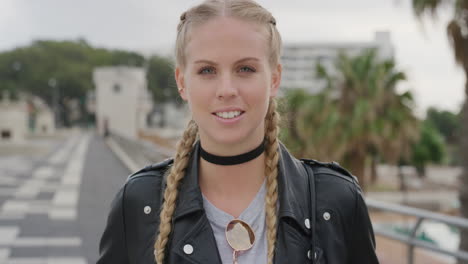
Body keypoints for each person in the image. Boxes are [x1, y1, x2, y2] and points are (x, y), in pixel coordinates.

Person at [97, 0, 380, 263]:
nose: (227, 90)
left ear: (275, 79)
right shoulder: (138, 203)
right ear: (182, 83)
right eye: (207, 71)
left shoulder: (337, 201)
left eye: (245, 68)